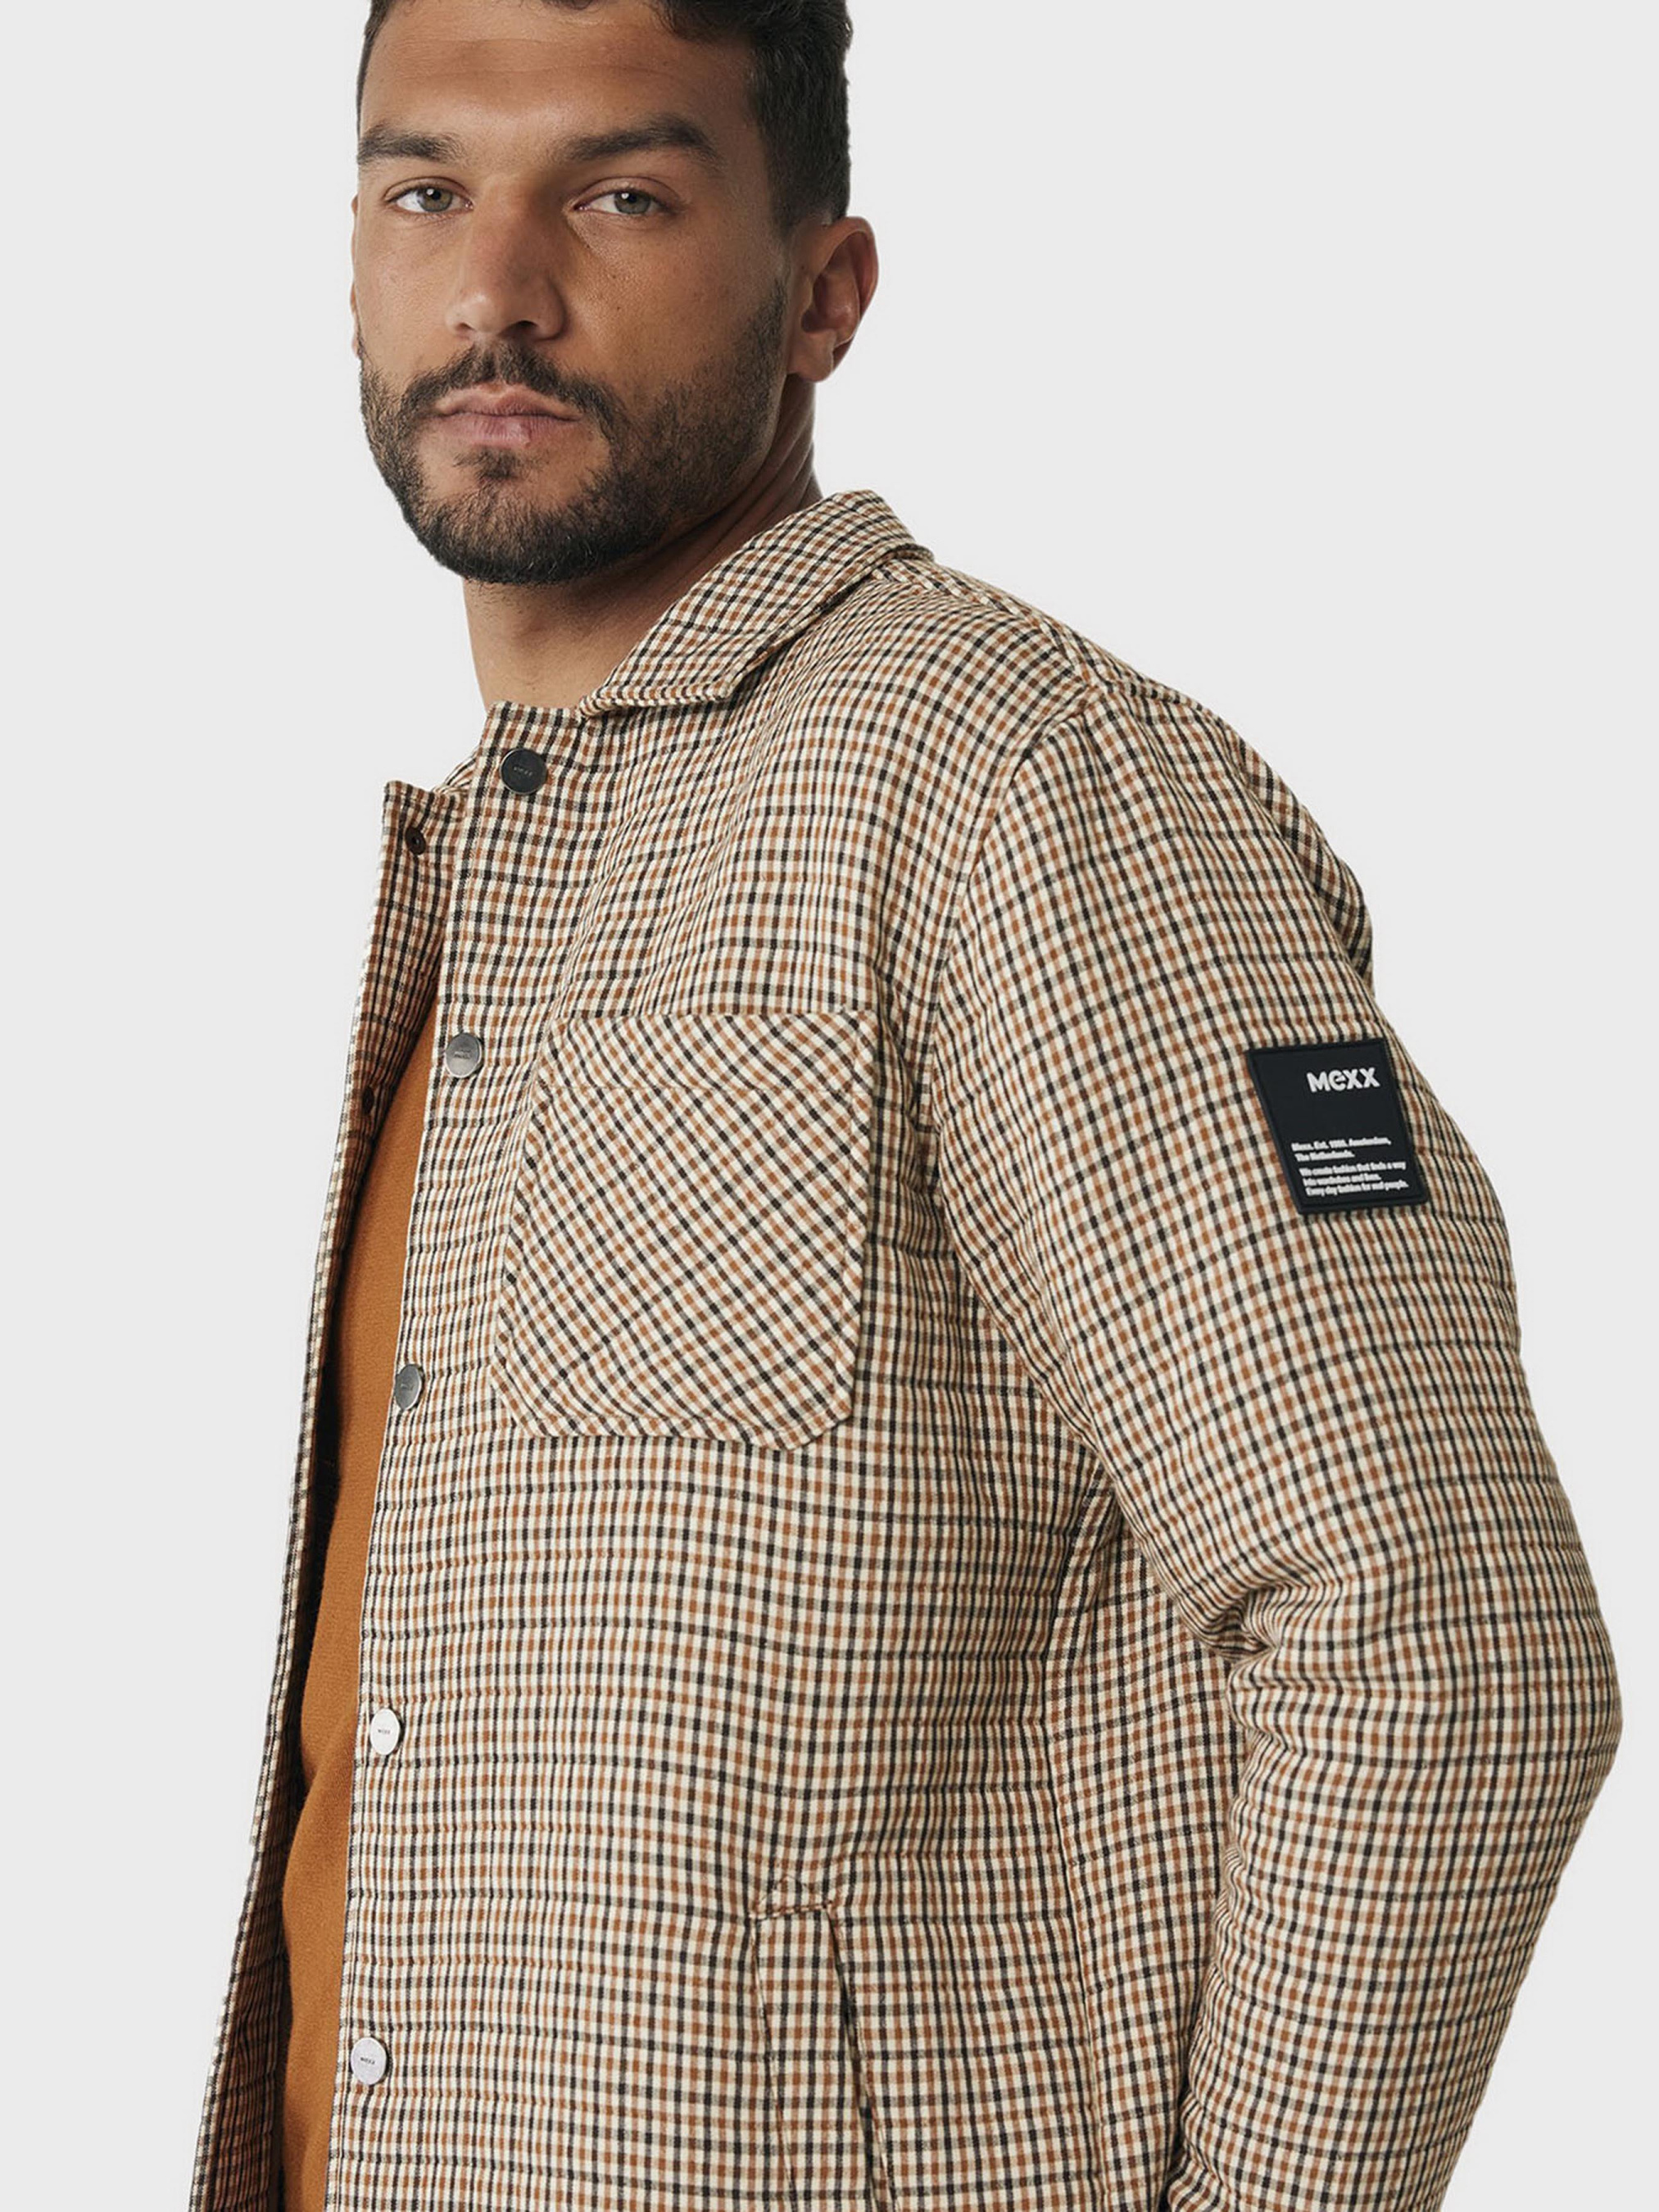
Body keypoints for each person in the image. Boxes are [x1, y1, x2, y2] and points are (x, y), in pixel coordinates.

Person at [187, 3, 1623, 2209]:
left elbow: (1446, 1637)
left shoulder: (1017, 786)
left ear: (823, 290)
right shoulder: (508, 862)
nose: (496, 288)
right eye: (425, 189)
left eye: (620, 193)